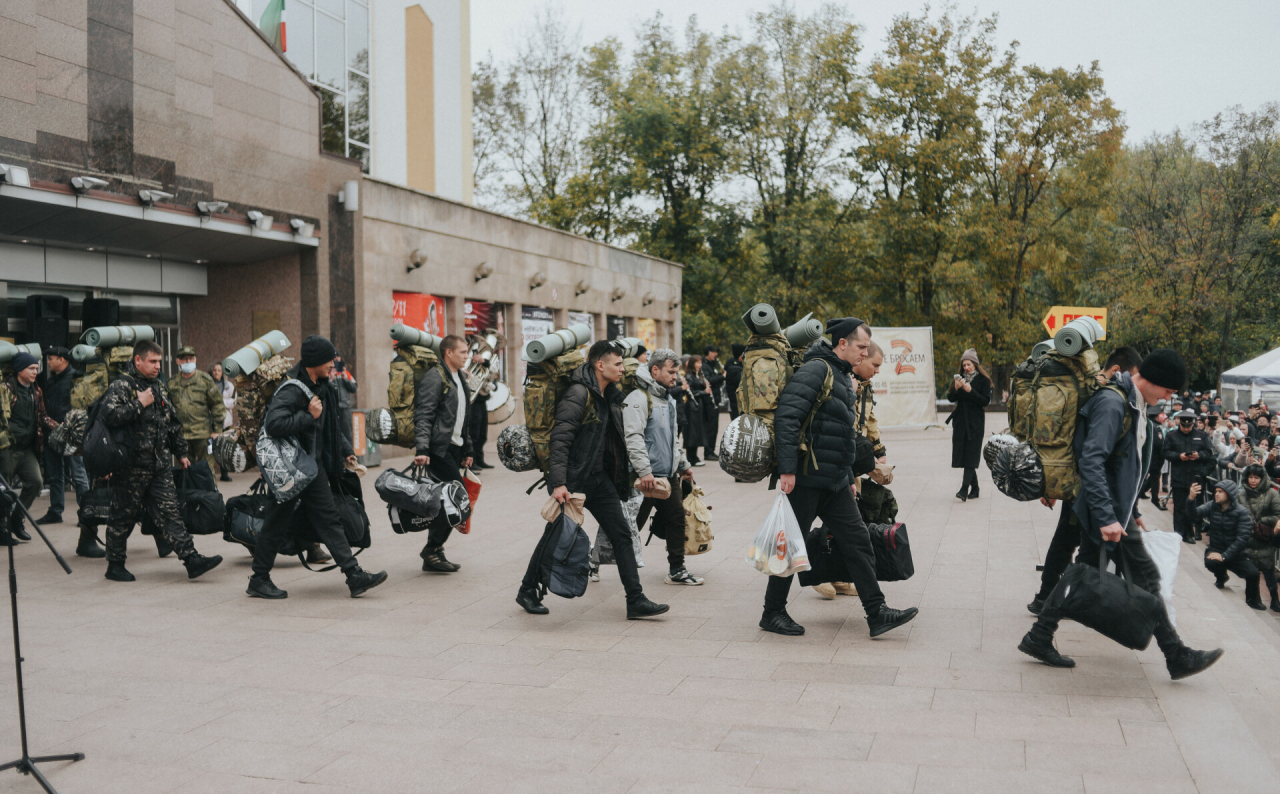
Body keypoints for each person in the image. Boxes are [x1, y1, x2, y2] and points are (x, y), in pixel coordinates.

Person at [1019, 349, 1223, 680]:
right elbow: (1092, 459)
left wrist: (1134, 508)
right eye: (1167, 390)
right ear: (1151, 379)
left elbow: (1125, 463)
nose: (1167, 398)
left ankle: (1039, 635)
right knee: (1144, 577)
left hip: (1114, 509)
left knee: (1084, 571)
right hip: (1107, 510)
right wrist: (1107, 516)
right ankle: (1176, 655)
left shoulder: (1131, 402)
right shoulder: (1114, 403)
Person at [760, 318, 918, 638]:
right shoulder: (817, 369)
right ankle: (772, 612)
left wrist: (847, 476)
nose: (864, 353)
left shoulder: (844, 377)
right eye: (861, 347)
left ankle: (876, 612)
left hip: (834, 481)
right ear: (842, 344)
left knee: (858, 541)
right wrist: (787, 469)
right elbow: (788, 416)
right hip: (806, 478)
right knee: (791, 545)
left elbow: (844, 435)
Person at [516, 340, 668, 619]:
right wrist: (558, 483)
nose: (622, 369)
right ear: (600, 365)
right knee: (554, 536)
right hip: (573, 480)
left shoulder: (609, 394)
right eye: (617, 364)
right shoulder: (577, 394)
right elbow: (560, 439)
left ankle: (635, 600)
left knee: (622, 534)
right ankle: (527, 590)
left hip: (598, 479)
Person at [246, 335, 386, 599]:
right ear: (315, 361)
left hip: (313, 467)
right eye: (329, 360)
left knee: (329, 518)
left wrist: (346, 450)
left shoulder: (323, 386)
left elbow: (330, 426)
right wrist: (308, 415)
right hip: (291, 468)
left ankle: (354, 575)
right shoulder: (292, 389)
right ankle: (259, 579)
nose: (333, 364)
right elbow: (274, 425)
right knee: (276, 522)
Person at [1026, 346, 1143, 615]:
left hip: (1076, 481)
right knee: (1075, 543)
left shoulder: (1089, 389)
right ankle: (1051, 601)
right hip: (1086, 485)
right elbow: (1087, 450)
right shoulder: (1104, 396)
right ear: (1118, 370)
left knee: (1067, 539)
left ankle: (1047, 598)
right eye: (1134, 376)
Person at [99, 341, 223, 582]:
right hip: (130, 467)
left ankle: (191, 559)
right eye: (152, 361)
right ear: (138, 360)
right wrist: (139, 404)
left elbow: (172, 421)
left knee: (170, 512)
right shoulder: (122, 385)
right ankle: (115, 564)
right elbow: (110, 416)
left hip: (159, 465)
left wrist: (181, 452)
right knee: (122, 516)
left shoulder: (158, 386)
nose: (157, 366)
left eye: (159, 361)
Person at [622, 348, 702, 586]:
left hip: (668, 475)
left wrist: (683, 465)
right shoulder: (638, 398)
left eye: (676, 372)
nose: (675, 377)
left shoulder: (668, 399)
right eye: (671, 372)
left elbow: (672, 438)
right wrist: (645, 471)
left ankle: (677, 569)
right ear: (655, 370)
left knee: (677, 519)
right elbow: (633, 438)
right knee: (630, 526)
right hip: (644, 478)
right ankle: (594, 561)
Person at [412, 335, 474, 573]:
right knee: (457, 499)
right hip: (438, 450)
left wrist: (467, 448)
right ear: (449, 353)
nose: (467, 356)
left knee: (447, 501)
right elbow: (424, 414)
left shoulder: (459, 377)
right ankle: (432, 549)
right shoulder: (435, 377)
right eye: (462, 352)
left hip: (454, 447)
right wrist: (422, 449)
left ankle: (434, 552)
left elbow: (463, 417)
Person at [36, 347, 91, 529]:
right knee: (55, 475)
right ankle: (55, 511)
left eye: (51, 358)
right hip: (52, 433)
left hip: (72, 433)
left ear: (62, 359)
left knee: (78, 474)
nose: (48, 362)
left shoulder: (77, 378)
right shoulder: (51, 380)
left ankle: (86, 513)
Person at [0, 352, 48, 545]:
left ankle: (16, 520)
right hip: (8, 447)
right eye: (31, 368)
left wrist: (60, 427)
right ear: (19, 370)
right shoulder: (6, 388)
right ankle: (2, 529)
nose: (35, 372)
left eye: (36, 368)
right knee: (4, 490)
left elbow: (42, 416)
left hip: (27, 447)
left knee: (35, 482)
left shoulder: (36, 390)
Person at [1189, 479, 1260, 604]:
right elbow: (1194, 515)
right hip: (1216, 548)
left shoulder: (1242, 512)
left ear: (1229, 494)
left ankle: (1253, 600)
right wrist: (1190, 499)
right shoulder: (1213, 505)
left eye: (1220, 492)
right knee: (1211, 561)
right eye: (1216, 491)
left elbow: (1242, 540)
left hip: (1235, 554)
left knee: (1253, 574)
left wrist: (1224, 556)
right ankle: (1221, 577)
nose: (1216, 494)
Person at [946, 348, 992, 502]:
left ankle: (964, 489)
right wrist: (956, 388)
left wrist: (970, 390)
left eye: (969, 365)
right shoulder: (959, 379)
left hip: (975, 423)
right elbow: (950, 398)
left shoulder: (984, 381)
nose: (966, 368)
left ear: (975, 364)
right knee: (965, 455)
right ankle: (976, 488)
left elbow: (985, 401)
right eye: (964, 365)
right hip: (960, 422)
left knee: (972, 454)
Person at [1164, 408, 1215, 543]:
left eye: (1189, 426)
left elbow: (1209, 453)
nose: (1186, 429)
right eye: (1183, 426)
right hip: (1179, 477)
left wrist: (1199, 456)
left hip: (1195, 476)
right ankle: (1179, 533)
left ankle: (1190, 533)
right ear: (1180, 423)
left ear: (1193, 424)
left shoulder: (1202, 436)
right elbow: (1166, 452)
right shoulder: (1171, 436)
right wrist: (1178, 456)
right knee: (1179, 507)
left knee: (1193, 506)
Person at [167, 346, 224, 467]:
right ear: (178, 361)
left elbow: (217, 404)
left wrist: (217, 430)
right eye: (184, 359)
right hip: (182, 435)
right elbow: (168, 409)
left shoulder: (205, 380)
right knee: (186, 470)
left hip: (202, 434)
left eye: (191, 358)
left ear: (195, 359)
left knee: (206, 469)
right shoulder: (172, 383)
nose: (188, 361)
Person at [1239, 464, 1280, 611]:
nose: (1253, 481)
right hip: (1248, 537)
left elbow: (1277, 515)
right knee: (1252, 572)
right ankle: (1254, 598)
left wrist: (1260, 521)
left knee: (1269, 570)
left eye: (1256, 477)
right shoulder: (1242, 494)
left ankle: (1274, 599)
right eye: (1250, 477)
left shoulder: (1272, 494)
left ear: (1262, 479)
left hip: (1265, 537)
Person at [465, 347, 495, 469]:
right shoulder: (466, 360)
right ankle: (472, 462)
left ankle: (479, 459)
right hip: (473, 402)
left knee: (482, 434)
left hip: (482, 400)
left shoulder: (482, 363)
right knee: (474, 433)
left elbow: (490, 370)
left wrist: (483, 361)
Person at [210, 362, 236, 481]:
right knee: (210, 449)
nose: (216, 372)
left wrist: (220, 402)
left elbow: (234, 401)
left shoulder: (229, 386)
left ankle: (224, 473)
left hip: (225, 421)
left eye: (219, 370)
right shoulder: (208, 384)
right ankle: (209, 474)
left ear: (222, 372)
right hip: (211, 421)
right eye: (214, 370)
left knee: (223, 448)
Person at [681, 355, 709, 466]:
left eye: (700, 363)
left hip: (698, 406)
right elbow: (691, 392)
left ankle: (694, 456)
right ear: (693, 364)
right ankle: (691, 457)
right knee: (692, 431)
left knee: (697, 431)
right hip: (692, 406)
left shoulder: (698, 375)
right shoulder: (689, 376)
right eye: (698, 363)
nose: (700, 365)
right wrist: (704, 392)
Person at [331, 353, 358, 449]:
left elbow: (354, 388)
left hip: (345, 408)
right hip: (334, 408)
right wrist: (331, 379)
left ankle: (349, 454)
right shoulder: (329, 374)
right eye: (335, 361)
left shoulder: (346, 374)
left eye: (339, 361)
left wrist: (345, 378)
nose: (337, 363)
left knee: (347, 433)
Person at [702, 346, 725, 460]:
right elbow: (709, 380)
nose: (716, 354)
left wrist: (720, 375)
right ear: (708, 353)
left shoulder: (712, 365)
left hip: (715, 399)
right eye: (714, 352)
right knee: (710, 427)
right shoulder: (705, 365)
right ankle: (708, 452)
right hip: (710, 401)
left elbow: (716, 382)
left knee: (715, 427)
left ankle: (711, 450)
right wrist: (722, 376)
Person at [725, 343, 745, 421]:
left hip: (738, 403)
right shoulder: (734, 370)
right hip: (736, 404)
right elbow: (743, 383)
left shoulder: (738, 367)